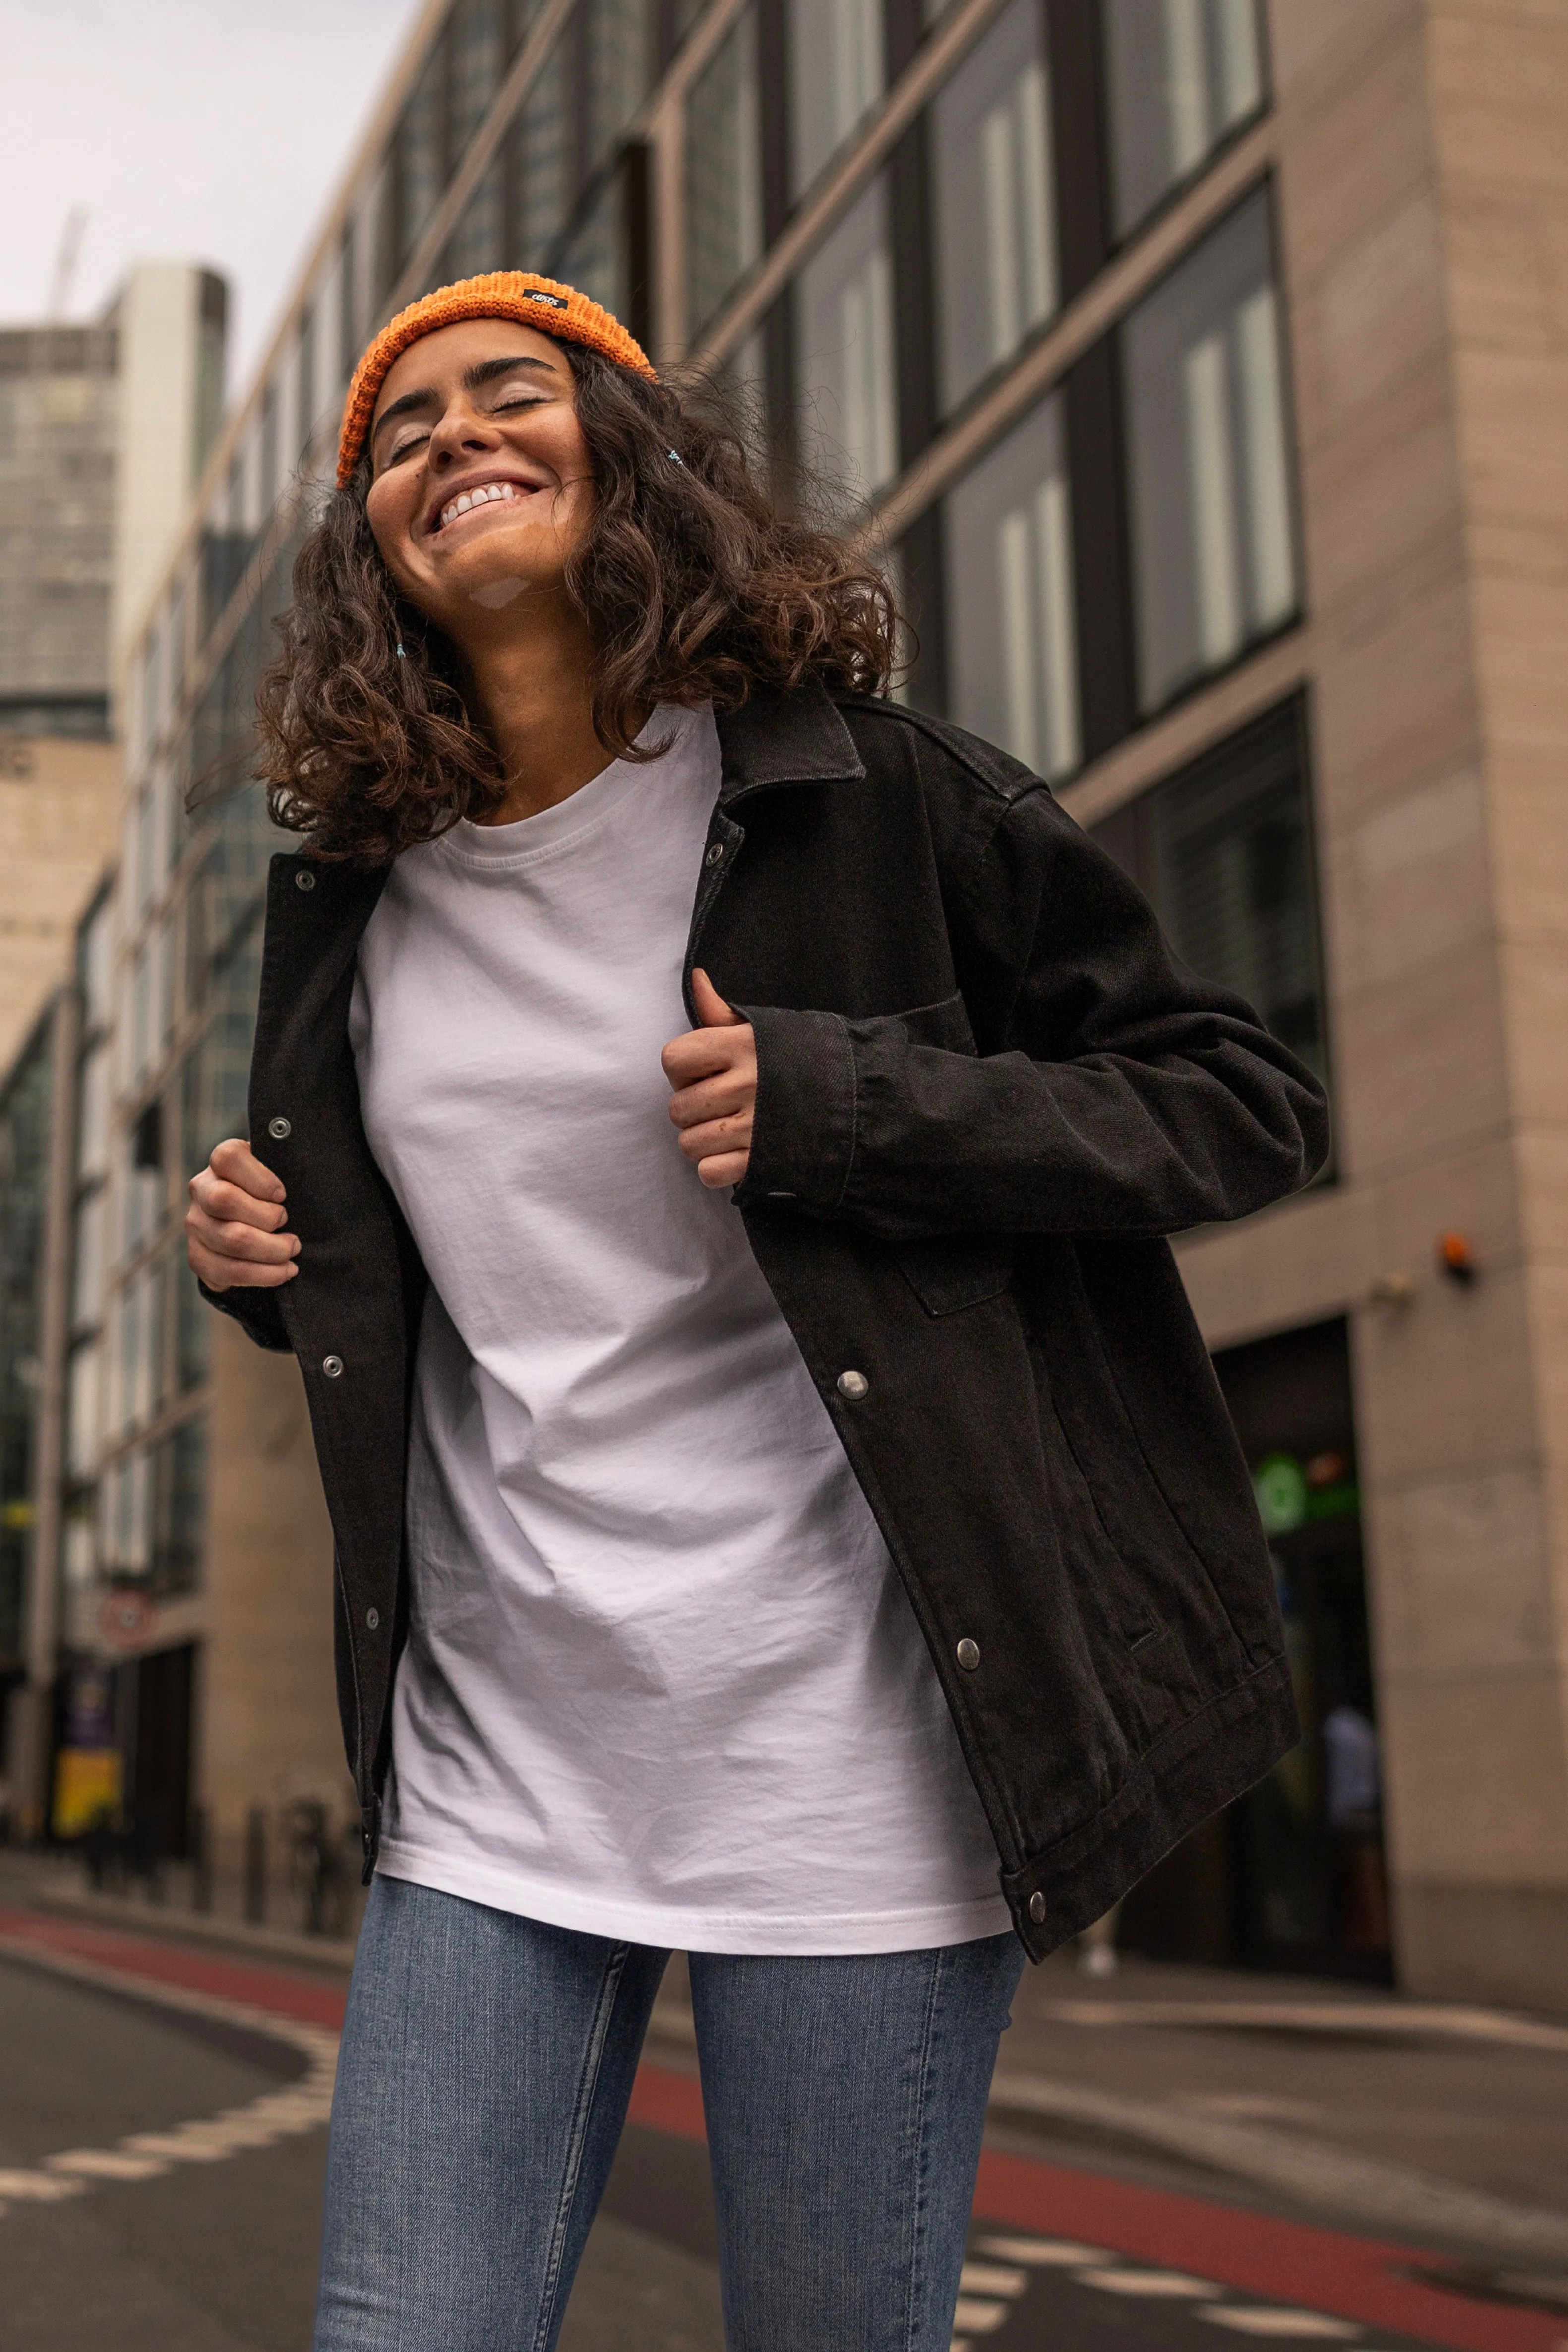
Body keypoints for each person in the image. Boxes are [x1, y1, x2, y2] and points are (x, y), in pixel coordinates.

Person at [186, 271, 1329, 2352]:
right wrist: (259, 1258)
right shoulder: (359, 895)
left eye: (506, 393)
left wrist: (850, 1102)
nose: (452, 439)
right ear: (377, 551)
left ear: (626, 453)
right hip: (499, 1767)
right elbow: (437, 1282)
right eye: (402, 432)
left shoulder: (878, 798)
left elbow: (1240, 1104)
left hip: (850, 1758)